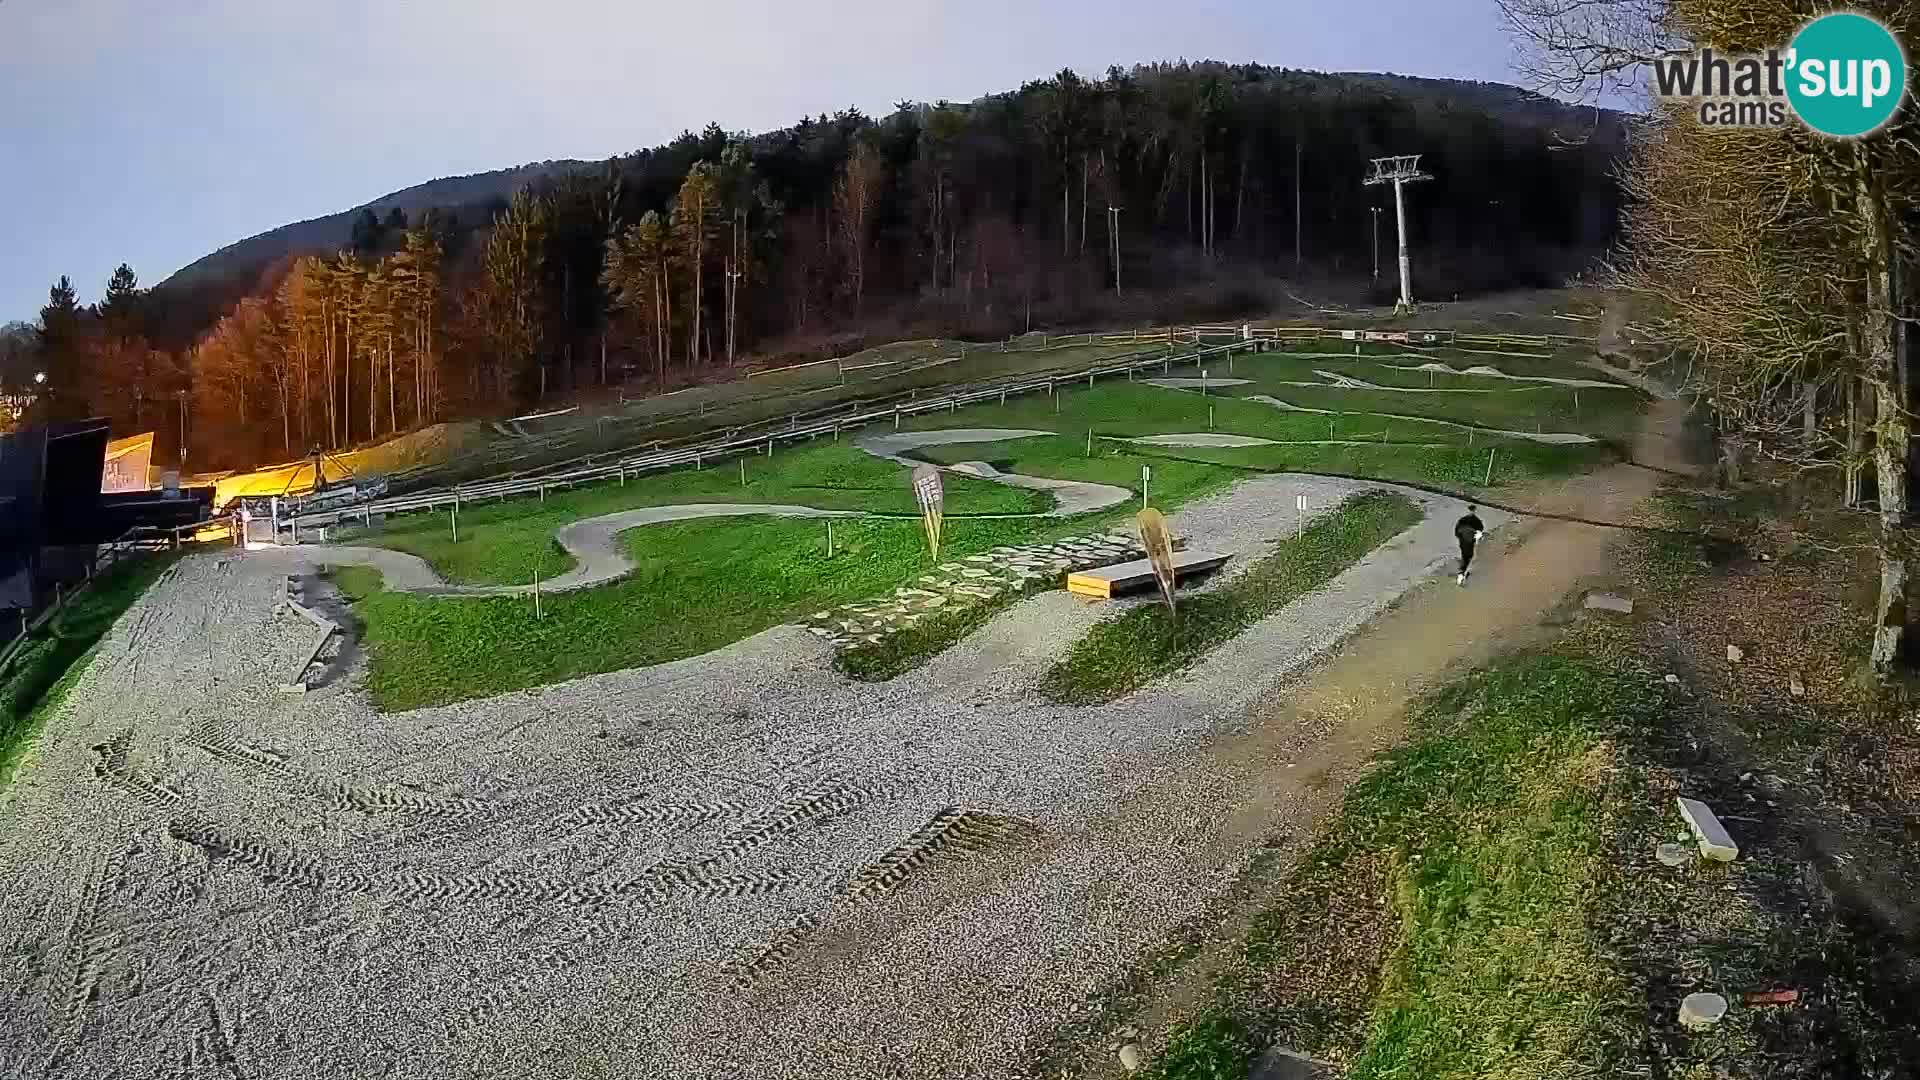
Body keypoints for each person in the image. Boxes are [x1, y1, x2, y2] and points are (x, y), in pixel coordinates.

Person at [1454, 505, 1485, 586]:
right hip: (1468, 540)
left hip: (1464, 540)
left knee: (1465, 555)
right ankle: (1462, 573)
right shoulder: (1476, 520)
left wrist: (1460, 536)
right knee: (1469, 556)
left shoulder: (1463, 520)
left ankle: (1462, 572)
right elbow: (1480, 529)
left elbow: (1457, 531)